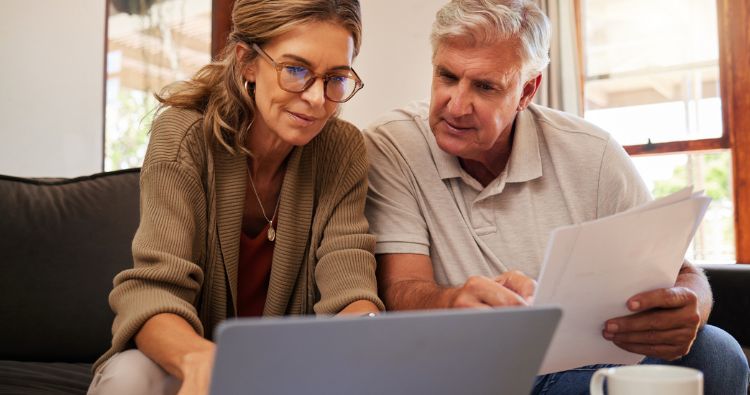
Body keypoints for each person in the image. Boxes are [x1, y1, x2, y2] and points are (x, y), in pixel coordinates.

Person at [363, 0, 748, 394]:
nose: (456, 105)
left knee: (717, 352)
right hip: (471, 367)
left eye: (484, 86)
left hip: (587, 363)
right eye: (447, 77)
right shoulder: (394, 144)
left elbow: (683, 273)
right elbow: (401, 288)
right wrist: (452, 304)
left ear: (527, 90)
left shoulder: (592, 152)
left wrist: (692, 308)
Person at [88, 1, 383, 394]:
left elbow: (348, 283)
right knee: (130, 375)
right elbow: (154, 292)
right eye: (296, 70)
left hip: (290, 372)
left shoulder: (342, 150)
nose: (317, 98)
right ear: (247, 62)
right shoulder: (184, 137)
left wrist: (366, 337)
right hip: (188, 361)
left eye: (336, 77)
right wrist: (200, 360)